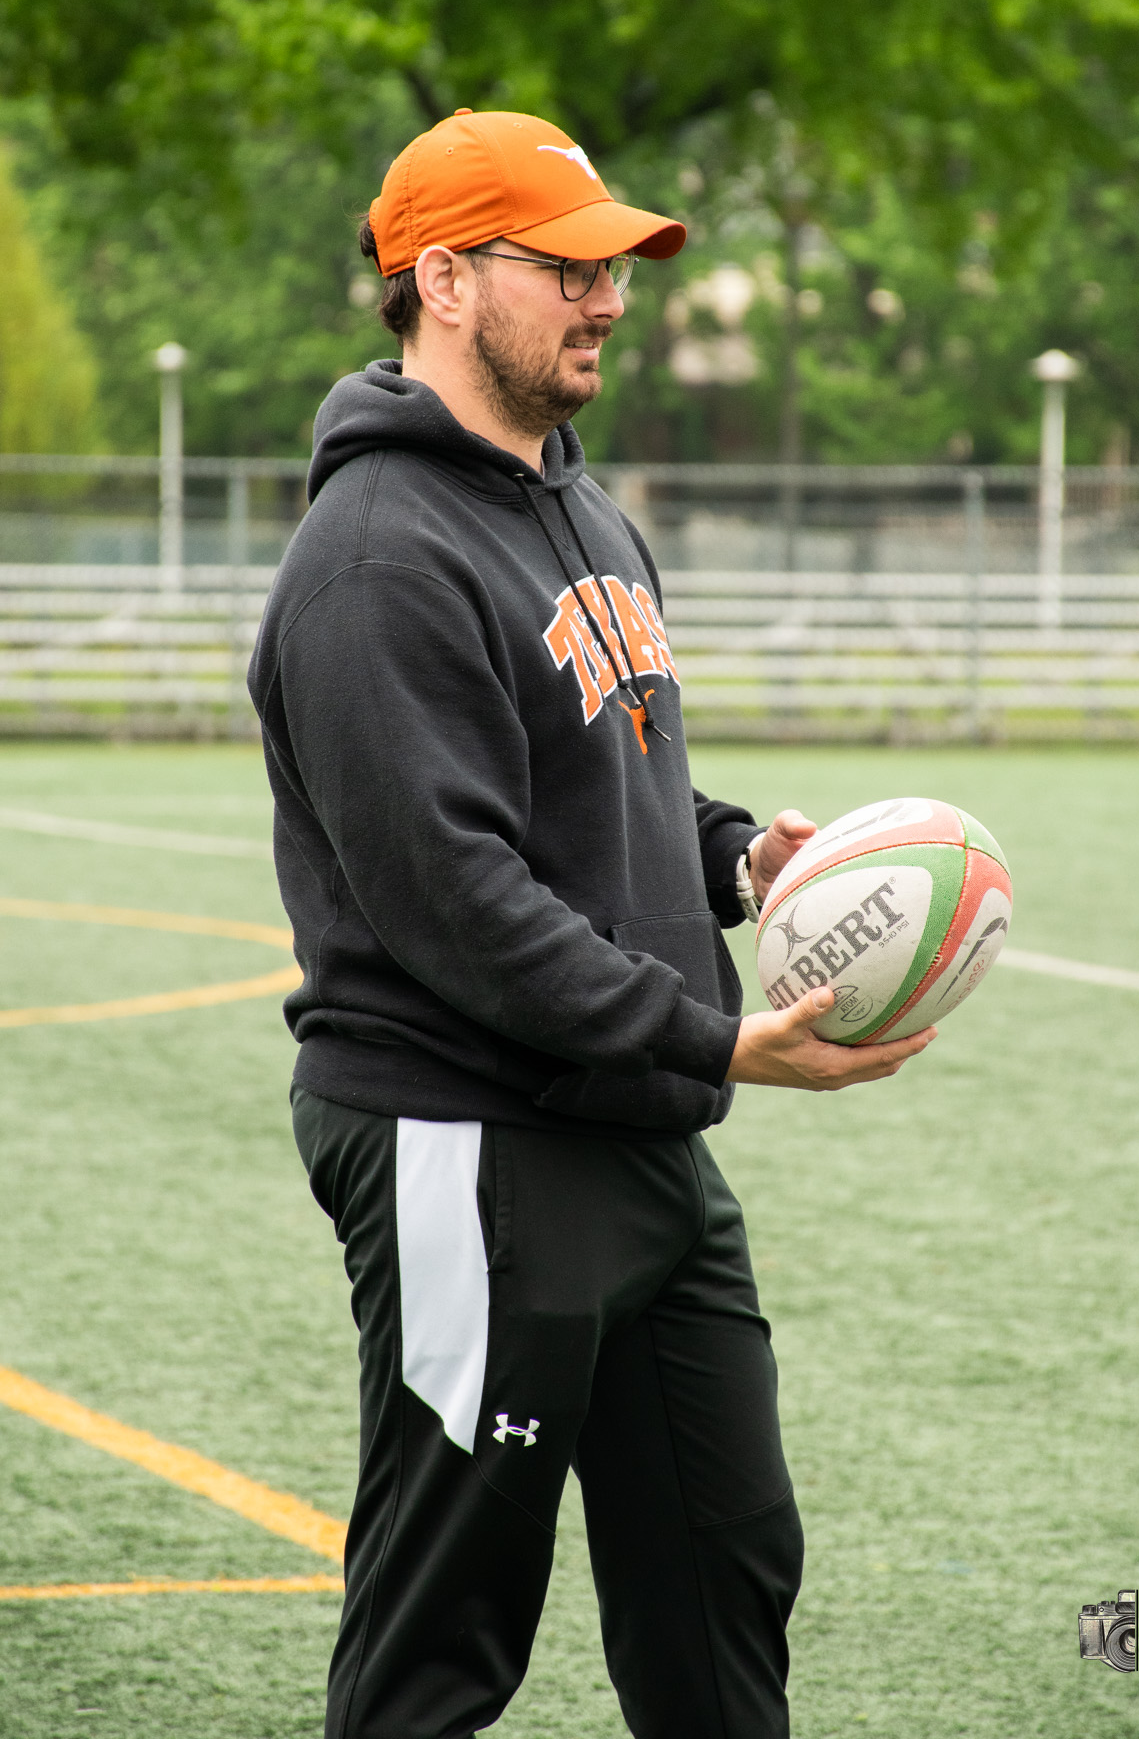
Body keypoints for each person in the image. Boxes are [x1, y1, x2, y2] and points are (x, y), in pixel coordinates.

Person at [248, 109, 935, 1739]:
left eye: (612, 266)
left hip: (633, 1128)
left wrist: (738, 861)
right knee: (447, 1622)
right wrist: (712, 1035)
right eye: (565, 267)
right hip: (464, 1134)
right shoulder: (369, 562)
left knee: (724, 1560)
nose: (607, 299)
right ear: (441, 279)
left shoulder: (582, 509)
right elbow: (455, 900)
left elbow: (603, 784)